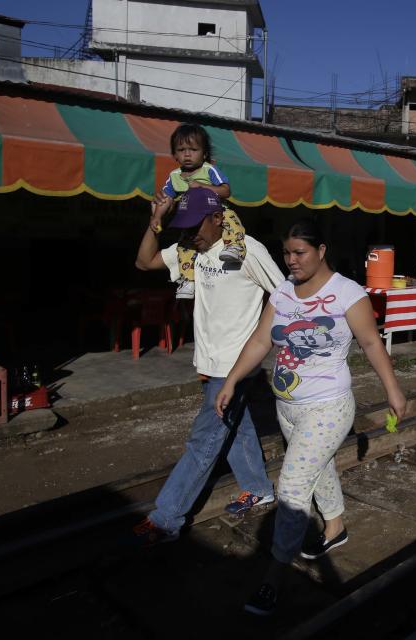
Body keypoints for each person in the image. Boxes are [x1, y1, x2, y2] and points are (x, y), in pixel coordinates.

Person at [214, 219, 407, 616]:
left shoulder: (346, 294)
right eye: (286, 252)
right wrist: (232, 380)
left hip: (329, 406)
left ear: (321, 251)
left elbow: (371, 342)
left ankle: (273, 576)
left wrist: (393, 390)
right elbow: (261, 340)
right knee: (318, 470)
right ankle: (335, 527)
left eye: (299, 252)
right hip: (288, 408)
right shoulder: (284, 291)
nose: (291, 261)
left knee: (292, 487)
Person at [132, 185, 286, 546]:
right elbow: (144, 262)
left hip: (236, 365)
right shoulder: (189, 251)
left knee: (203, 442)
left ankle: (166, 518)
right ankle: (258, 488)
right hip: (210, 361)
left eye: (195, 225)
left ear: (218, 218)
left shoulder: (246, 250)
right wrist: (156, 222)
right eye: (183, 226)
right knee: (237, 426)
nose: (189, 234)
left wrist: (260, 342)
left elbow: (282, 295)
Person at [155, 123, 247, 269]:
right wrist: (157, 217)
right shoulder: (174, 176)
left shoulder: (209, 170)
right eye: (181, 150)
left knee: (233, 222)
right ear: (175, 155)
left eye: (193, 149)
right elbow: (165, 199)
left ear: (204, 154)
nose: (187, 154)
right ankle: (187, 279)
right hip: (191, 219)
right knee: (184, 246)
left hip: (218, 213)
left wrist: (203, 185)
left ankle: (235, 248)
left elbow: (226, 191)